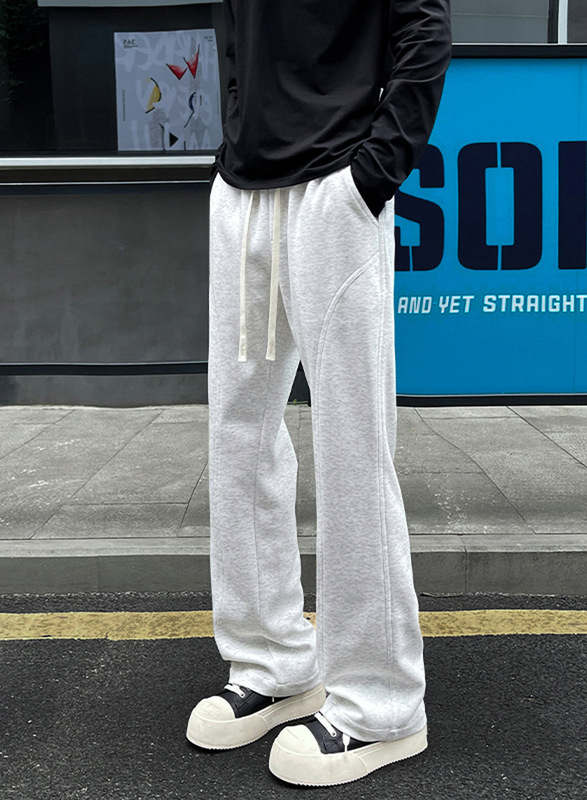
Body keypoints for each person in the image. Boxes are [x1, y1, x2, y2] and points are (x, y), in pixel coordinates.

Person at [186, 0, 452, 787]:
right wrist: (234, 144)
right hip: (243, 188)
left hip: (336, 185)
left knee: (352, 443)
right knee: (238, 435)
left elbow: (424, 29)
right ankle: (271, 662)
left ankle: (382, 705)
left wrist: (372, 174)